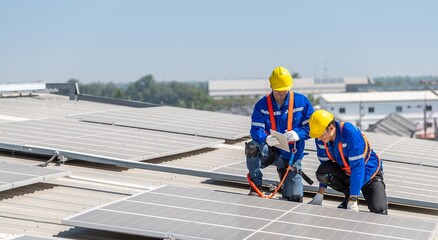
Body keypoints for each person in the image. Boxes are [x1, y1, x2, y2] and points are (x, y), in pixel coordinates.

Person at [245, 66, 314, 202]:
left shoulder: (301, 102)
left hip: (291, 155)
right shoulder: (262, 105)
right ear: (271, 86)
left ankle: (285, 173)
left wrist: (298, 134)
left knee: (294, 198)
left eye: (284, 90)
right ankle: (256, 186)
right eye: (278, 90)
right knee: (252, 148)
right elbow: (255, 130)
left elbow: (312, 128)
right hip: (270, 151)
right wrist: (266, 138)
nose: (281, 93)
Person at [307, 109, 388, 214]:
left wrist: (353, 200)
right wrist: (320, 194)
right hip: (348, 172)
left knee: (379, 209)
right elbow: (325, 165)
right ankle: (349, 193)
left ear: (331, 128)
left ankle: (353, 196)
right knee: (323, 172)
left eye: (321, 135)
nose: (319, 138)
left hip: (368, 173)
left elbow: (358, 167)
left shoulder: (350, 133)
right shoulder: (321, 139)